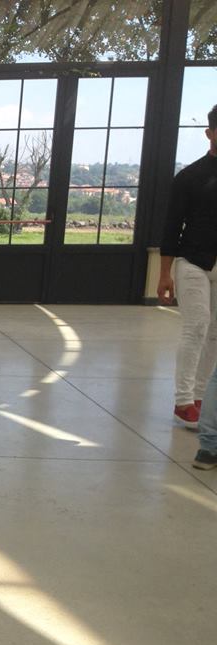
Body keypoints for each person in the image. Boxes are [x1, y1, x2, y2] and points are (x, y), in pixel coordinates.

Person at [158, 104, 217, 432]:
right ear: (210, 133)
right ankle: (183, 402)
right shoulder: (189, 177)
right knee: (197, 326)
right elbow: (171, 227)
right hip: (192, 262)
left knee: (215, 332)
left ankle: (200, 397)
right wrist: (164, 274)